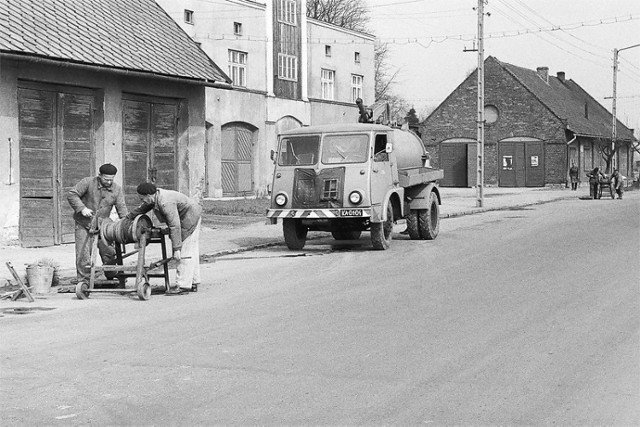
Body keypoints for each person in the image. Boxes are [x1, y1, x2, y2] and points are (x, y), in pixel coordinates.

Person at [127, 183, 202, 294]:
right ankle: (194, 282)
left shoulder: (165, 202)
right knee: (191, 251)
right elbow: (142, 209)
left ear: (148, 195)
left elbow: (174, 225)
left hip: (189, 218)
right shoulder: (154, 197)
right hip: (189, 215)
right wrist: (127, 218)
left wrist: (176, 248)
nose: (142, 201)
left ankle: (183, 286)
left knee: (184, 252)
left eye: (142, 198)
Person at [67, 163, 128, 283]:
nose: (109, 182)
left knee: (109, 252)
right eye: (106, 179)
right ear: (100, 175)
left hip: (103, 225)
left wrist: (126, 224)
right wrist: (82, 208)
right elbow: (72, 194)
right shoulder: (88, 182)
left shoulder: (117, 189)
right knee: (83, 254)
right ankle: (84, 280)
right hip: (84, 223)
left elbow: (121, 207)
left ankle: (111, 274)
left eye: (111, 179)